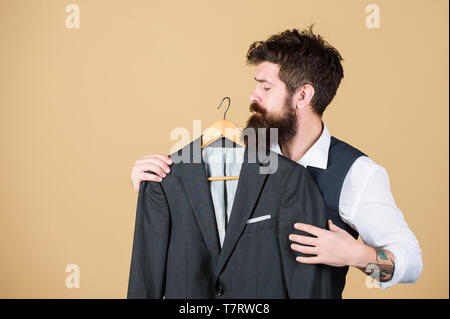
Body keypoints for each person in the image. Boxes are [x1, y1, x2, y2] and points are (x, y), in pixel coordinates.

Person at [129, 27, 422, 298]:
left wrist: (358, 256)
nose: (253, 96)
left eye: (266, 88)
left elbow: (411, 265)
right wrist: (158, 185)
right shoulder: (236, 151)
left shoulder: (357, 174)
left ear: (303, 95)